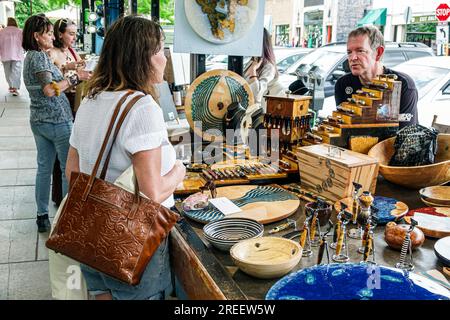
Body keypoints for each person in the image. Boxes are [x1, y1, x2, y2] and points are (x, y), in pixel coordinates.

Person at [65, 15, 186, 300]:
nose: (164, 58)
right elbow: (151, 193)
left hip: (90, 231)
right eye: (159, 50)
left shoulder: (90, 99)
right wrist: (179, 171)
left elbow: (73, 173)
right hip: (132, 239)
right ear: (140, 57)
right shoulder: (142, 107)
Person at [22, 15, 90, 233]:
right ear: (36, 36)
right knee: (67, 168)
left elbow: (52, 84)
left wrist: (68, 75)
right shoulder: (39, 57)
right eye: (48, 33)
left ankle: (42, 215)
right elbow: (50, 90)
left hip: (39, 119)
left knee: (44, 168)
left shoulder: (31, 57)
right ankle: (66, 217)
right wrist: (75, 78)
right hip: (57, 120)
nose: (52, 37)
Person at [335, 26, 418, 129]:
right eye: (349, 52)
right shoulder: (343, 84)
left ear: (378, 53)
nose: (353, 58)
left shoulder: (403, 85)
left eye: (360, 51)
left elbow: (407, 135)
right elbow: (342, 127)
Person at [48, 18, 86, 207]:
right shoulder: (51, 52)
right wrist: (66, 67)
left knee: (71, 150)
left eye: (75, 33)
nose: (74, 36)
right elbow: (51, 80)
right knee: (61, 152)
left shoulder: (72, 51)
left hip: (75, 102)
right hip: (61, 104)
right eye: (70, 33)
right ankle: (59, 195)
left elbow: (80, 70)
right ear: (59, 34)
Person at [244, 28, 283, 112]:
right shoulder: (253, 61)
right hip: (245, 109)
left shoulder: (268, 67)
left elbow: (257, 95)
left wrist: (253, 70)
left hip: (255, 115)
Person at [0, 17, 24, 96]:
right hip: (17, 54)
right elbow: (23, 43)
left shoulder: (2, 32)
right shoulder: (20, 31)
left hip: (5, 54)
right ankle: (15, 88)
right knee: (16, 71)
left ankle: (11, 85)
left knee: (7, 72)